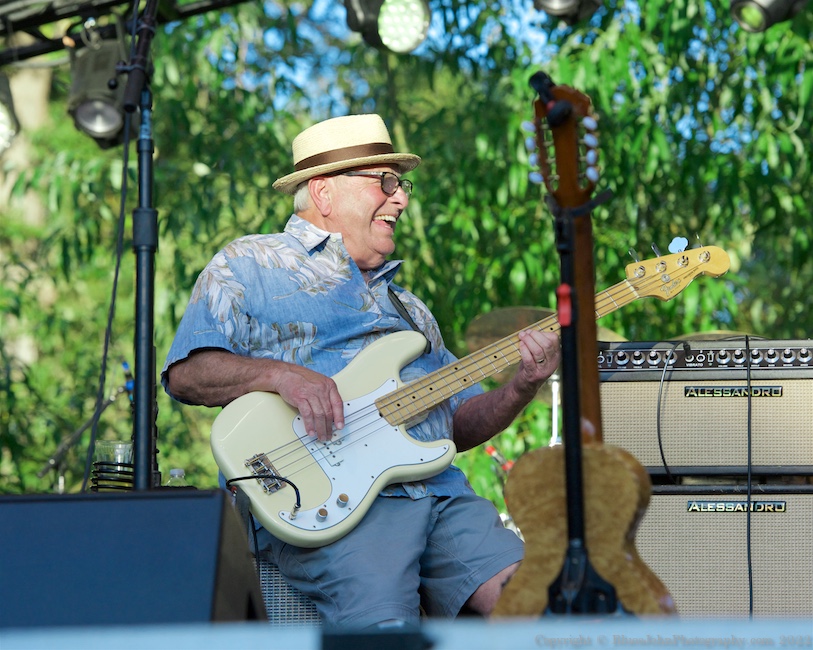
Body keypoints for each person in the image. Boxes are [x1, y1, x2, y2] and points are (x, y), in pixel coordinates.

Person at [161, 113, 561, 628]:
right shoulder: (249, 263)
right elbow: (187, 373)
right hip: (334, 501)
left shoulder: (410, 310)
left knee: (543, 609)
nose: (401, 200)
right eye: (386, 182)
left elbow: (458, 424)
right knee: (387, 634)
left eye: (402, 185)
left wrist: (522, 386)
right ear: (324, 192)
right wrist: (281, 376)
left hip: (440, 494)